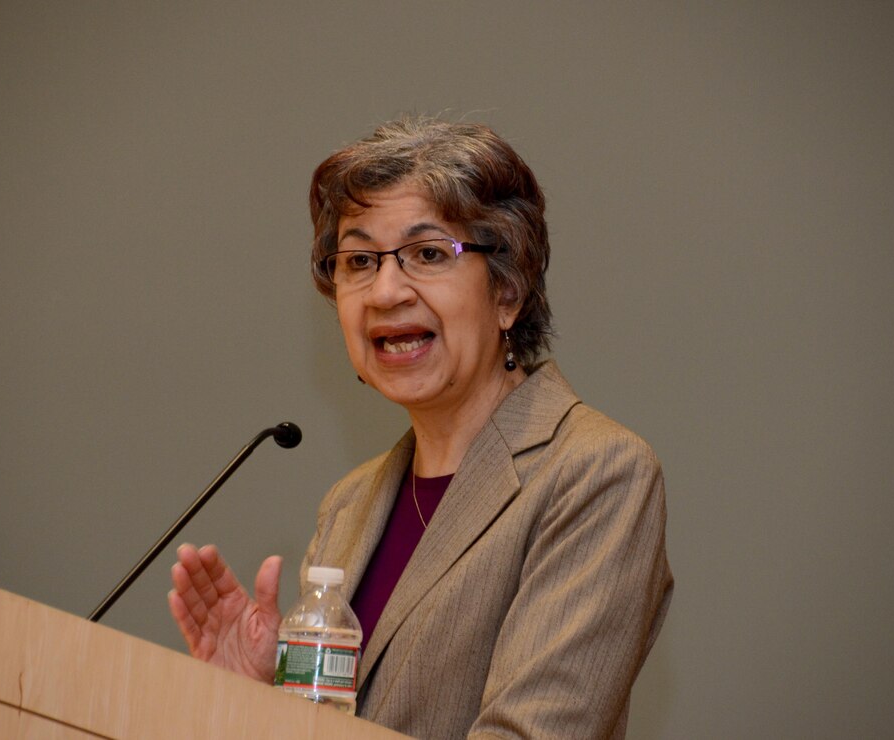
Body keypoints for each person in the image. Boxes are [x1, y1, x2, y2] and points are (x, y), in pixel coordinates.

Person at [169, 117, 673, 739]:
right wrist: (263, 703)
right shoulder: (349, 506)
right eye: (358, 260)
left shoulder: (595, 472)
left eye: (428, 254)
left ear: (508, 290)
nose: (384, 291)